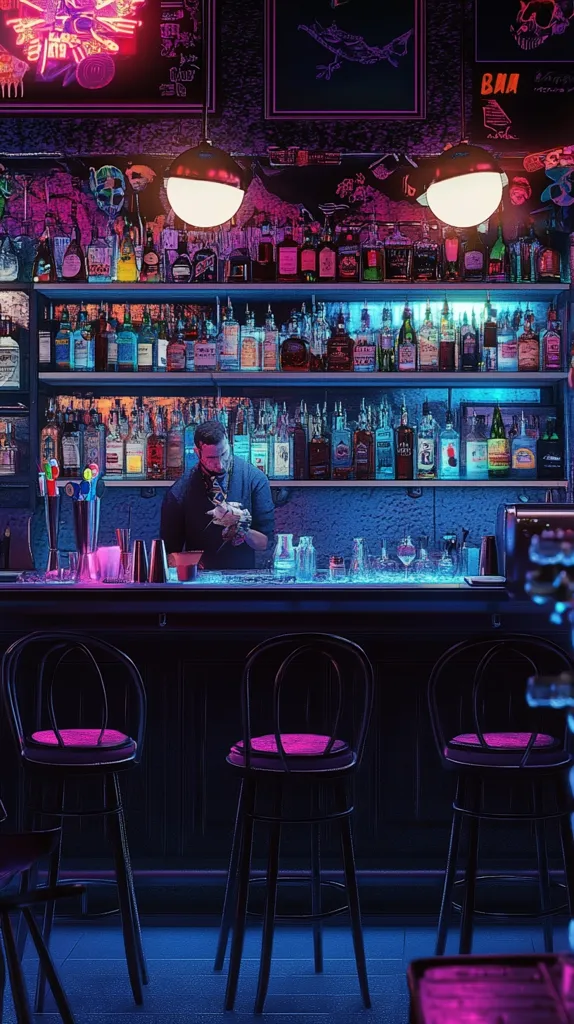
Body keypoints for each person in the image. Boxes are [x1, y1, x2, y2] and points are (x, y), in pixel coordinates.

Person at [160, 420, 275, 570]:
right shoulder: (179, 492)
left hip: (243, 578)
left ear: (229, 443)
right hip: (199, 580)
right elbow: (168, 554)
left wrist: (241, 527)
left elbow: (265, 543)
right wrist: (188, 563)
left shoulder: (255, 479)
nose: (220, 464)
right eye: (211, 458)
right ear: (197, 452)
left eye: (224, 454)